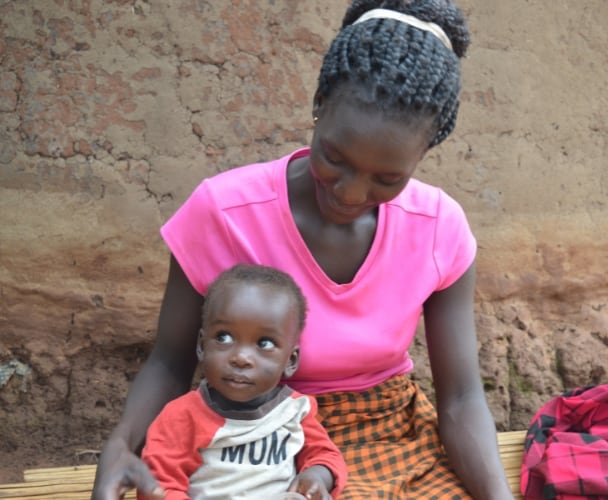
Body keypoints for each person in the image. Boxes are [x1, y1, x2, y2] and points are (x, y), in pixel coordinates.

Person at [92, 1, 513, 499]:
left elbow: (462, 399)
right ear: (318, 105)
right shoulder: (224, 212)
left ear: (423, 154)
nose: (351, 194)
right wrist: (121, 445)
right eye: (334, 158)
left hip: (392, 439)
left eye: (388, 178)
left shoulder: (439, 228)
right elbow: (169, 360)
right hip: (247, 435)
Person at [136, 264, 347, 500]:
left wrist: (317, 476)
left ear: (291, 360)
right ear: (202, 346)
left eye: (264, 343)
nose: (241, 358)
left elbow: (325, 455)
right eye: (224, 338)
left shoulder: (294, 411)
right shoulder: (182, 417)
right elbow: (159, 485)